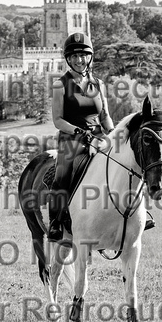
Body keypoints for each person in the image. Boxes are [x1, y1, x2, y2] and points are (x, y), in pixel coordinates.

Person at [48, 32, 115, 241]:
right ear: (68, 59)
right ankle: (57, 221)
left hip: (98, 137)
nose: (79, 60)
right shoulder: (61, 84)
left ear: (90, 57)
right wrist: (78, 131)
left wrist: (113, 134)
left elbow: (104, 115)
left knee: (125, 165)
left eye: (83, 55)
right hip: (72, 138)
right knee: (64, 174)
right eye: (75, 56)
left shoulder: (99, 84)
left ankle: (134, 212)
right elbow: (57, 120)